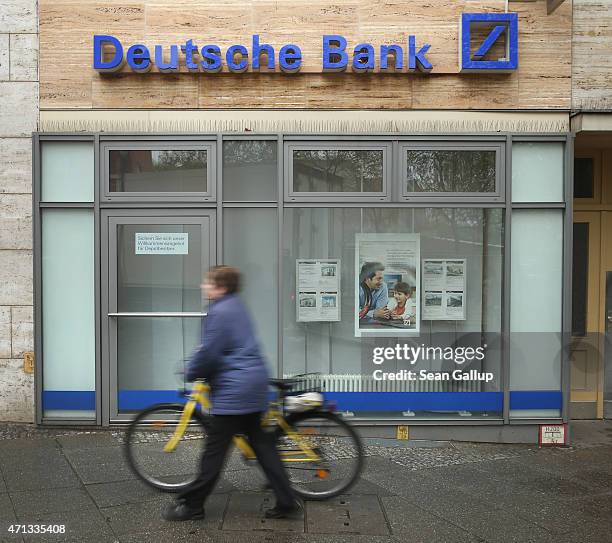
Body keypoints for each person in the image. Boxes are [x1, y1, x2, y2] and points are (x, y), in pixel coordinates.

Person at [163, 265, 299, 521]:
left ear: (221, 287)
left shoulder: (219, 312)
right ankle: (286, 500)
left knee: (214, 451)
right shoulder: (236, 305)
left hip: (234, 392)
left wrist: (191, 372)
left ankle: (192, 505)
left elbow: (210, 352)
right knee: (263, 446)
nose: (204, 286)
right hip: (252, 385)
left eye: (208, 282)